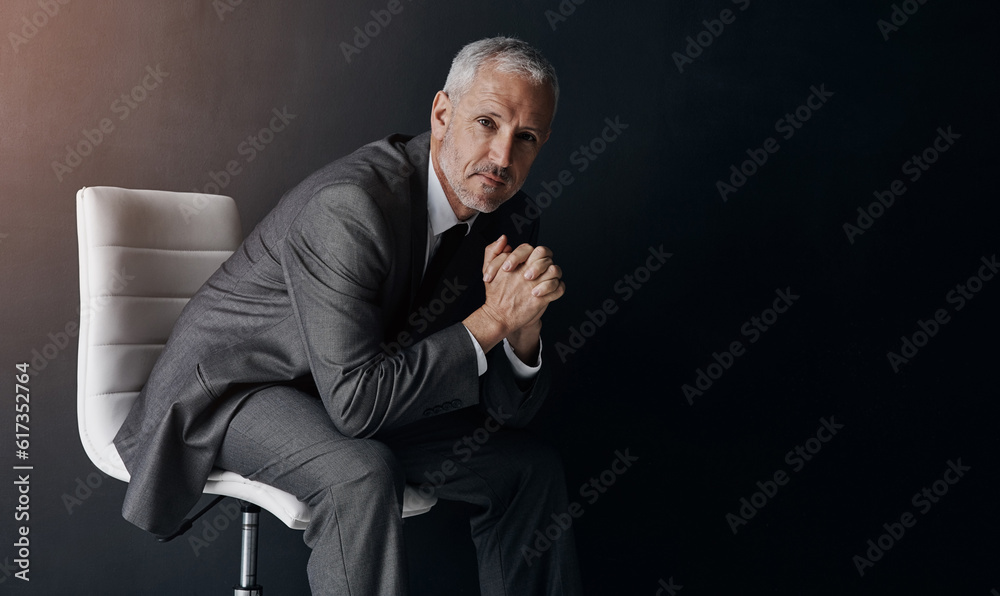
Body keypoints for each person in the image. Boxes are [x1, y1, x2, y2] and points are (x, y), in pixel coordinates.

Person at [114, 36, 581, 595]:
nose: (503, 157)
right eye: (487, 123)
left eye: (525, 138)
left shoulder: (512, 217)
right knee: (361, 474)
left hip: (355, 385)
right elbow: (357, 407)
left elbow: (508, 411)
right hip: (242, 387)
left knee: (530, 469)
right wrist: (491, 322)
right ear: (442, 114)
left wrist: (522, 326)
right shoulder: (350, 206)